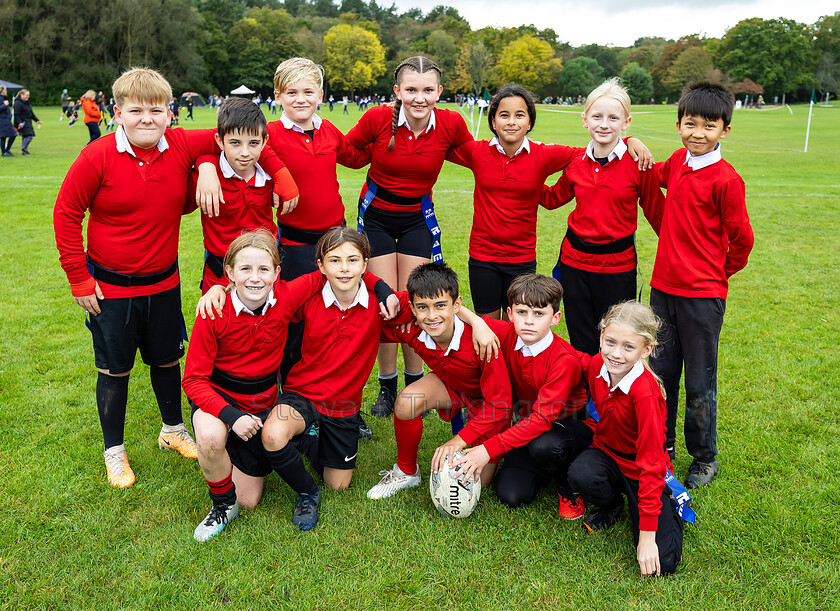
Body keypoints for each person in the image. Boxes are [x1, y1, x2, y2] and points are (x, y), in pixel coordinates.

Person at [52, 67, 298, 489]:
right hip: (110, 286)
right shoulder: (97, 155)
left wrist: (212, 164)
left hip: (164, 282)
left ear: (170, 113)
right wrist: (79, 277)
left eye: (156, 110)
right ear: (117, 112)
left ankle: (172, 430)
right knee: (115, 370)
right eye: (136, 110)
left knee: (167, 359)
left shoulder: (183, 143)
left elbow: (244, 135)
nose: (146, 119)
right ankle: (114, 451)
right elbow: (66, 213)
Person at [199, 228, 406, 530]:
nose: (344, 268)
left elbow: (428, 305)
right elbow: (254, 288)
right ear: (321, 266)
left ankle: (307, 439)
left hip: (343, 404)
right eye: (334, 261)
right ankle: (307, 492)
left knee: (338, 484)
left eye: (353, 260)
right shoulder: (307, 293)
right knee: (272, 434)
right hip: (301, 394)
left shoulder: (382, 304)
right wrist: (218, 288)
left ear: (365, 263)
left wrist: (384, 287)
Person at [183, 230, 353, 541]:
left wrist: (380, 288)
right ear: (230, 273)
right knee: (209, 439)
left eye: (263, 269)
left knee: (251, 499)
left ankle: (269, 448)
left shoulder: (286, 295)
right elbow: (193, 380)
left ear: (277, 273)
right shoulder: (213, 311)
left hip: (261, 404)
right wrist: (231, 417)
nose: (255, 278)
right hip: (220, 401)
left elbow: (334, 272)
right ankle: (223, 504)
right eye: (245, 269)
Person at [447, 84, 653, 321]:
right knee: (489, 325)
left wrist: (629, 141)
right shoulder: (477, 152)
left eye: (519, 115)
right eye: (504, 115)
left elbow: (595, 148)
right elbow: (441, 144)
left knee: (518, 325)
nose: (512, 121)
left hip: (521, 256)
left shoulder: (544, 154)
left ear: (530, 122)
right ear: (493, 121)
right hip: (483, 256)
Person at [346, 55, 472, 419]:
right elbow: (347, 152)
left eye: (428, 90)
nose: (420, 98)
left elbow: (479, 156)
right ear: (398, 91)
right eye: (412, 89)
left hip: (418, 217)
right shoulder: (376, 120)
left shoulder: (451, 123)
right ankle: (387, 387)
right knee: (388, 305)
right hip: (378, 217)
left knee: (417, 302)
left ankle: (416, 380)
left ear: (439, 92)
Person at [648, 81, 754, 488]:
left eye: (708, 126)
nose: (698, 133)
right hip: (663, 292)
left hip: (703, 297)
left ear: (724, 130)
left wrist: (716, 273)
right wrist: (634, 145)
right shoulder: (677, 161)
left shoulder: (727, 180)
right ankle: (663, 446)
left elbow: (742, 239)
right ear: (678, 125)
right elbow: (648, 173)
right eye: (690, 124)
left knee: (698, 381)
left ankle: (704, 457)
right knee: (660, 374)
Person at [265, 57, 371, 394]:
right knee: (296, 322)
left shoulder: (328, 131)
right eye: (291, 92)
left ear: (320, 95)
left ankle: (335, 394)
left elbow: (355, 157)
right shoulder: (269, 134)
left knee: (337, 321)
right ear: (278, 96)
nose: (300, 99)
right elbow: (230, 151)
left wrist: (385, 131)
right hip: (295, 246)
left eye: (308, 92)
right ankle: (292, 397)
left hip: (336, 242)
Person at [367, 262, 511, 500]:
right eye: (422, 307)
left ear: (457, 305)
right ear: (412, 308)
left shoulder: (484, 340)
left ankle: (477, 433)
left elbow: (500, 404)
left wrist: (457, 441)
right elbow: (368, 314)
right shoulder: (411, 325)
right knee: (406, 402)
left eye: (440, 306)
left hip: (489, 401)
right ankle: (407, 471)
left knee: (476, 483)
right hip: (452, 385)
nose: (431, 316)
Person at [541, 78, 664, 355]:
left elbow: (657, 213)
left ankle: (612, 395)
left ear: (626, 122)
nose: (604, 124)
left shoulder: (639, 164)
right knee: (581, 337)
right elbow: (551, 199)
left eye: (613, 117)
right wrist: (525, 177)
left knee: (616, 338)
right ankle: (586, 397)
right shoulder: (575, 163)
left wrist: (680, 248)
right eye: (597, 116)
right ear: (585, 119)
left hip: (617, 267)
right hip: (575, 263)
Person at [453, 274, 591, 519]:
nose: (529, 321)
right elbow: (456, 311)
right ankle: (541, 470)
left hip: (569, 425)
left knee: (546, 445)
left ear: (555, 318)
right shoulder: (508, 334)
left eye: (539, 314)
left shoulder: (563, 361)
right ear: (509, 313)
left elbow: (541, 420)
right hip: (529, 423)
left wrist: (486, 450)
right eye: (522, 312)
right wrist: (477, 322)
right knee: (510, 496)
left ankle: (568, 480)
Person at [567, 301, 683, 577]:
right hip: (607, 454)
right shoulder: (597, 364)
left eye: (628, 347)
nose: (616, 354)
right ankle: (612, 504)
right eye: (610, 342)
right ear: (601, 336)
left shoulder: (645, 395)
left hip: (641, 469)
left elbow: (652, 463)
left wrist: (646, 537)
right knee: (580, 473)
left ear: (647, 350)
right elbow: (568, 357)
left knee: (663, 562)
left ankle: (658, 508)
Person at [186, 97, 277, 293]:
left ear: (264, 141)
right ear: (219, 140)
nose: (245, 152)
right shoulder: (204, 178)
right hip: (219, 273)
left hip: (263, 270)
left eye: (253, 143)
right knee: (218, 320)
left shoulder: (272, 176)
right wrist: (205, 164)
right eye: (235, 143)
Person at [13, 89, 41, 155]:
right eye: (27, 95)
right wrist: (19, 123)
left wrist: (37, 120)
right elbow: (16, 114)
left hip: (28, 122)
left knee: (25, 136)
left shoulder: (27, 102)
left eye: (28, 95)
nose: (28, 97)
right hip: (22, 123)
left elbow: (31, 113)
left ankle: (24, 150)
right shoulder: (17, 103)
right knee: (29, 136)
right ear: (21, 95)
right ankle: (24, 149)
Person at [0, 86, 16, 157]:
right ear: (2, 91)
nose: (6, 92)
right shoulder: (1, 98)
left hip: (6, 120)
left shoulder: (4, 98)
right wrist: (5, 105)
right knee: (5, 136)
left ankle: (6, 150)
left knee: (12, 135)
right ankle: (4, 152)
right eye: (5, 90)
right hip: (3, 121)